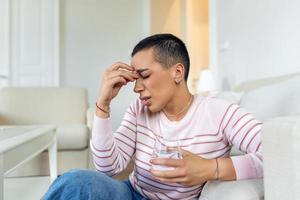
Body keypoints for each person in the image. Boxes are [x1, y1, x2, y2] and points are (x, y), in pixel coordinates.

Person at [43, 34, 263, 200]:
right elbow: (108, 167)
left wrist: (210, 168)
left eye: (145, 76)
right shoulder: (139, 109)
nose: (137, 88)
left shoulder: (220, 112)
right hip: (133, 193)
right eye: (135, 79)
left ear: (177, 72)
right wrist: (103, 104)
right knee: (76, 181)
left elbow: (275, 153)